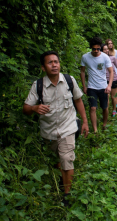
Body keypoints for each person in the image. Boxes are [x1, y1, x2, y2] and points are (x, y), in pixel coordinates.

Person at [23, 51, 89, 206]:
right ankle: (63, 177)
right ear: (43, 67)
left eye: (56, 62)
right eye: (50, 62)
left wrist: (85, 121)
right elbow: (25, 108)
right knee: (59, 160)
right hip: (49, 132)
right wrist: (34, 108)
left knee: (66, 158)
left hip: (68, 128)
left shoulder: (68, 80)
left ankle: (67, 195)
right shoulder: (38, 86)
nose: (54, 65)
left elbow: (78, 100)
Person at [80, 37, 113, 132]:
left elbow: (111, 72)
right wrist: (84, 86)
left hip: (103, 86)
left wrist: (109, 85)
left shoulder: (105, 57)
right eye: (94, 49)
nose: (95, 51)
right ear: (91, 48)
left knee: (105, 107)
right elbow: (82, 71)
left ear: (100, 48)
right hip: (91, 87)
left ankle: (104, 124)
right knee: (92, 108)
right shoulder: (85, 57)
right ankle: (95, 130)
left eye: (98, 49)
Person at [102, 44, 117, 116]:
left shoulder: (112, 58)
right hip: (104, 80)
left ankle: (114, 110)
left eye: (107, 49)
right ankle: (107, 111)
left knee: (113, 96)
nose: (106, 50)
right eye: (104, 49)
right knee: (106, 96)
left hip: (114, 79)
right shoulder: (100, 59)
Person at [106, 39, 117, 110]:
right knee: (108, 95)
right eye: (109, 43)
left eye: (111, 43)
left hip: (115, 73)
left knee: (115, 91)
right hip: (106, 76)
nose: (110, 45)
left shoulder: (115, 52)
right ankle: (107, 110)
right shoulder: (103, 54)